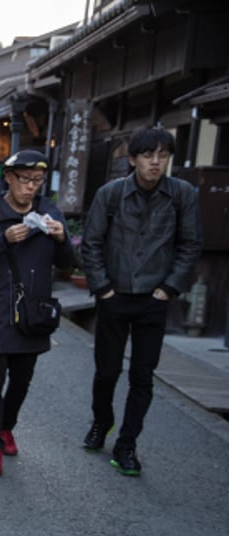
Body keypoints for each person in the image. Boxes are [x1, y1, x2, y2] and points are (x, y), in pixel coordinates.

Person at [79, 127, 203, 476]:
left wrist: (170, 287)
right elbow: (91, 243)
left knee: (142, 375)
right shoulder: (112, 194)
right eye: (148, 155)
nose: (155, 162)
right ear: (132, 159)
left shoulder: (181, 195)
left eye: (163, 155)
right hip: (114, 295)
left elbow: (191, 244)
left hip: (154, 297)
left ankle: (127, 444)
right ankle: (102, 422)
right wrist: (103, 288)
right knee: (106, 371)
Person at [0, 150, 74, 476]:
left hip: (33, 312)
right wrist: (3, 239)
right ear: (8, 178)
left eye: (37, 181)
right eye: (24, 179)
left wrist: (61, 237)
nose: (30, 187)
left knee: (22, 379)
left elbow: (67, 262)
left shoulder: (49, 212)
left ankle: (6, 426)